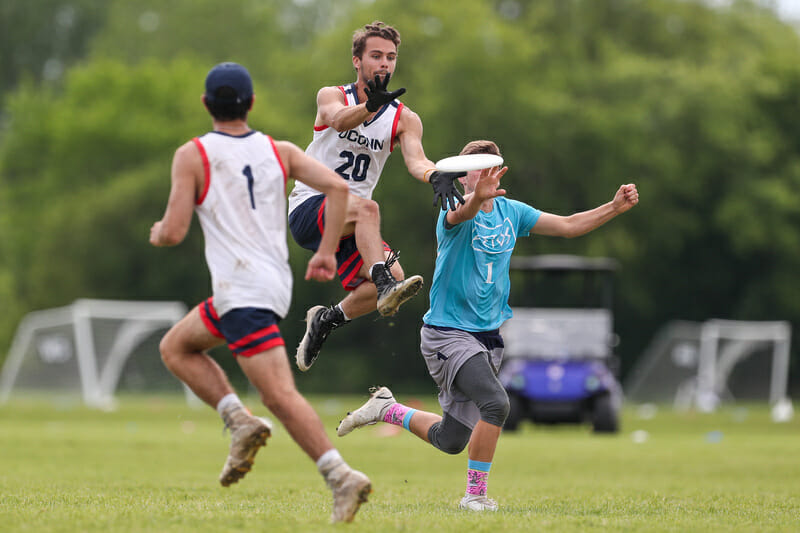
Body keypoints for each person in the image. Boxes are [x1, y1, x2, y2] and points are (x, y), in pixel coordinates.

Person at [336, 140, 639, 512]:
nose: (478, 173)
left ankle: (387, 409)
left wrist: (614, 207)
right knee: (497, 404)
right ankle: (474, 496)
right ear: (461, 176)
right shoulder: (451, 210)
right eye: (471, 167)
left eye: (486, 165)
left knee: (450, 439)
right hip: (447, 334)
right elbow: (462, 216)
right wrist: (475, 200)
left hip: (488, 338)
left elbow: (568, 226)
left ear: (498, 171)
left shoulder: (512, 211)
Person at [150, 62, 370, 523]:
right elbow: (335, 186)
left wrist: (157, 232)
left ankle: (341, 476)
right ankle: (239, 420)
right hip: (265, 284)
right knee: (177, 346)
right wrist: (327, 251)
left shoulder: (193, 154)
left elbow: (172, 232)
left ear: (206, 104)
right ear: (250, 104)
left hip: (243, 287)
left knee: (280, 397)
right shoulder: (280, 150)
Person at [288, 21, 466, 372]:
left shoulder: (405, 118)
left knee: (397, 275)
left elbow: (417, 160)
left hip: (353, 223)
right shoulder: (333, 95)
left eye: (391, 57)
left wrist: (435, 175)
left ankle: (326, 321)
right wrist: (370, 107)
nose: (384, 64)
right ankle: (382, 284)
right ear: (357, 60)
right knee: (369, 210)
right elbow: (338, 121)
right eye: (376, 56)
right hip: (312, 207)